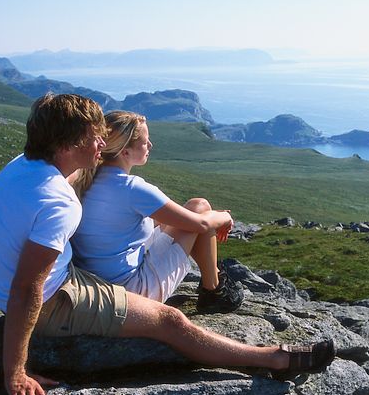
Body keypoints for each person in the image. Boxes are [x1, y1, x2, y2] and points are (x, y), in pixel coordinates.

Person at [0, 94, 335, 395]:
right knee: (170, 321)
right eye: (94, 138)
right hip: (54, 300)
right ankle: (274, 358)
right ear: (69, 144)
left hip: (27, 285)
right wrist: (15, 372)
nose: (101, 144)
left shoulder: (24, 165)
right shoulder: (58, 202)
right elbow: (28, 287)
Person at [70, 110, 241, 312]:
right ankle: (214, 290)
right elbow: (201, 224)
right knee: (199, 207)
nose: (150, 145)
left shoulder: (85, 180)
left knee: (185, 215)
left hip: (95, 286)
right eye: (144, 142)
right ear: (125, 152)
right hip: (132, 292)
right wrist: (226, 217)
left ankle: (213, 284)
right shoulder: (131, 188)